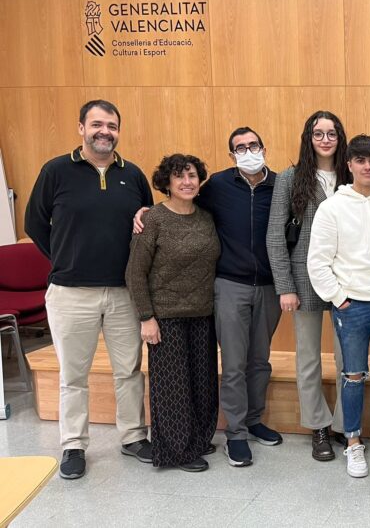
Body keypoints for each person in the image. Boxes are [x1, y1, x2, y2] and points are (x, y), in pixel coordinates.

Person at [138, 127, 284, 466]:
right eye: (240, 148)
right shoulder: (218, 185)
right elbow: (179, 204)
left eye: (253, 145)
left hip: (269, 287)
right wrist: (145, 211)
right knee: (234, 364)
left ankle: (254, 419)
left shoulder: (280, 186)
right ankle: (236, 433)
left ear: (264, 148)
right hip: (230, 285)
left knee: (260, 361)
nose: (248, 151)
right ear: (232, 156)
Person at [25, 99, 154, 479]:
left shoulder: (133, 174)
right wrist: (65, 258)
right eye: (97, 124)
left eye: (111, 125)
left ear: (118, 131)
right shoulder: (56, 171)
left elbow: (146, 224)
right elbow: (34, 223)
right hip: (70, 293)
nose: (104, 132)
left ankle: (133, 436)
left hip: (123, 292)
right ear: (81, 127)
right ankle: (73, 445)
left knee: (128, 370)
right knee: (73, 375)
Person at [307, 134, 370, 478]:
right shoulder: (332, 208)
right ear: (350, 164)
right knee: (353, 375)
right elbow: (318, 262)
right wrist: (339, 299)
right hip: (351, 306)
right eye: (361, 161)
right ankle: (353, 442)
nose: (368, 167)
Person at [125, 154, 220, 472]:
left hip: (203, 314)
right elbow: (134, 273)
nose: (187, 182)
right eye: (179, 176)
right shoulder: (152, 219)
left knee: (203, 384)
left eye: (192, 175)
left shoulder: (206, 217)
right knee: (173, 389)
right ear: (167, 182)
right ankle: (177, 450)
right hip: (165, 317)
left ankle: (197, 439)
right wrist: (146, 317)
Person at [266, 111, 351, 461]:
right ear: (308, 138)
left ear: (340, 138)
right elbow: (275, 235)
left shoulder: (352, 174)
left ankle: (345, 425)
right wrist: (285, 286)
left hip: (348, 281)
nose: (325, 139)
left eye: (332, 133)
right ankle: (318, 425)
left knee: (349, 358)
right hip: (304, 281)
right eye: (318, 133)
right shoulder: (290, 178)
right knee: (308, 358)